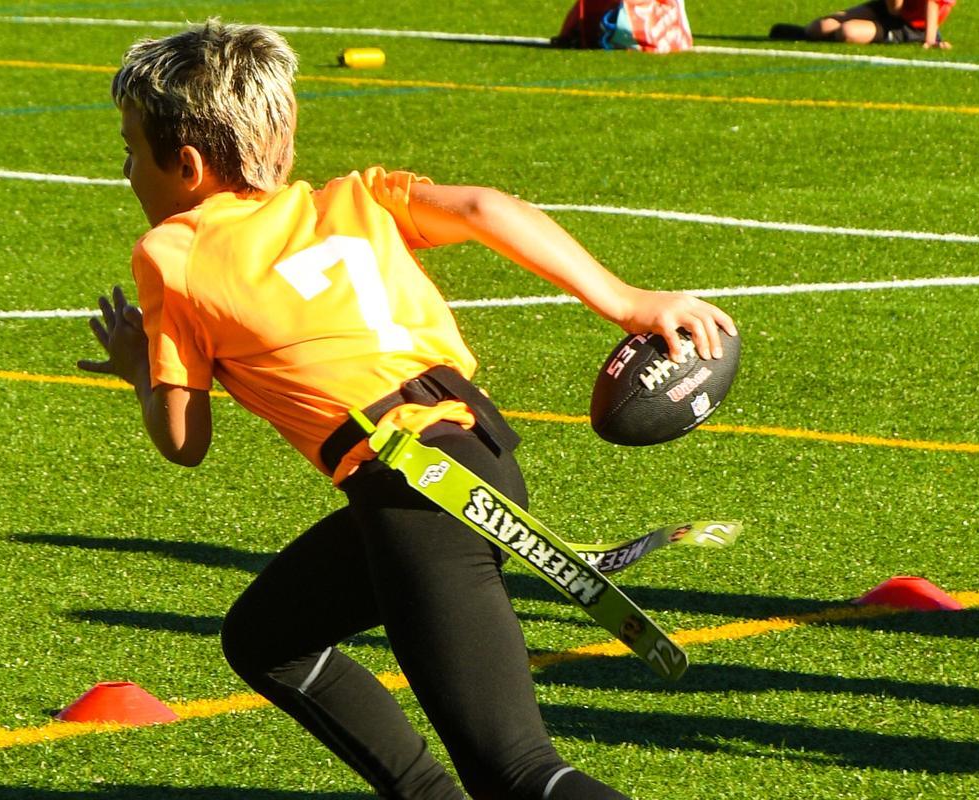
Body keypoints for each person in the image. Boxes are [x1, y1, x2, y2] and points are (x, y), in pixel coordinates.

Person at [78, 19, 736, 800]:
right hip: (474, 462)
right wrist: (628, 301)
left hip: (416, 495)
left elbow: (184, 440)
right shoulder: (353, 201)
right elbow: (489, 208)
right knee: (266, 638)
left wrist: (139, 373)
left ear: (185, 165)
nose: (124, 168)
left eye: (128, 148)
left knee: (519, 772)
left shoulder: (172, 253)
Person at [769, 0, 956, 48]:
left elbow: (932, 4)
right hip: (892, 8)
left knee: (847, 32)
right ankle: (804, 34)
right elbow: (893, 8)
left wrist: (930, 39)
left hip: (913, 25)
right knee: (819, 27)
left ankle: (919, 38)